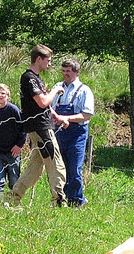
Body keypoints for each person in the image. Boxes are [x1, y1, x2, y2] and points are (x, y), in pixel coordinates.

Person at [10, 44, 67, 207]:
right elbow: (42, 102)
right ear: (39, 59)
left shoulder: (36, 78)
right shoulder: (29, 78)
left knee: (36, 166)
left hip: (40, 125)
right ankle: (58, 199)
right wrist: (55, 90)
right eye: (48, 60)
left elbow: (42, 104)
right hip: (40, 127)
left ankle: (14, 196)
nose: (49, 64)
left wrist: (56, 116)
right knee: (55, 162)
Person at [51, 59, 94, 207]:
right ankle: (61, 198)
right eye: (63, 71)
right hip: (58, 132)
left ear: (76, 72)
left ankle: (77, 200)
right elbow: (48, 107)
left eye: (68, 71)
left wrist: (66, 118)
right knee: (60, 168)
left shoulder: (84, 90)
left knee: (75, 168)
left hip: (77, 134)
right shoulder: (57, 87)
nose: (65, 74)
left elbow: (86, 115)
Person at [0, 83, 26, 201]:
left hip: (13, 151)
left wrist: (19, 145)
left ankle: (15, 201)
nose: (0, 95)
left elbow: (23, 128)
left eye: (3, 93)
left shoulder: (13, 110)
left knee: (14, 179)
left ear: (8, 96)